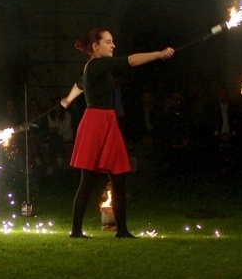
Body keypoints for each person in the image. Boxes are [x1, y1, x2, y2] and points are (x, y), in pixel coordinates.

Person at [58, 28, 174, 237]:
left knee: (118, 177)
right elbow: (129, 61)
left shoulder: (93, 68)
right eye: (108, 42)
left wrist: (68, 99)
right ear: (96, 46)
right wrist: (158, 54)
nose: (113, 45)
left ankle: (121, 230)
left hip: (105, 121)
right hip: (96, 122)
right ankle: (76, 231)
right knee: (88, 180)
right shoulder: (98, 64)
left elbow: (80, 84)